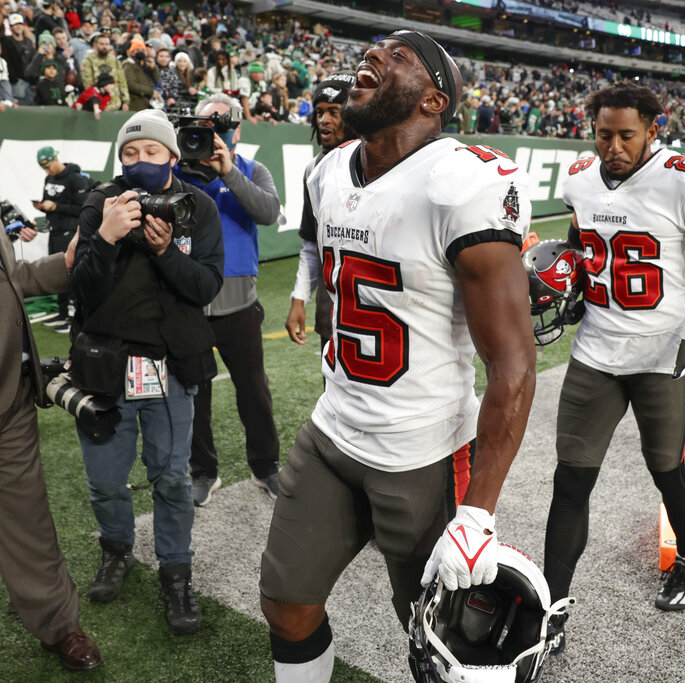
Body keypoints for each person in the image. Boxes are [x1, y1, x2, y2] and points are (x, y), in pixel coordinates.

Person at [259, 30, 535, 682]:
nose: (376, 54)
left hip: (424, 452)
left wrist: (477, 513)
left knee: (445, 648)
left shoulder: (459, 180)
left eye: (400, 55)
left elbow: (514, 363)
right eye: (376, 47)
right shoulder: (328, 170)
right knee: (286, 602)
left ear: (434, 99)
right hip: (334, 430)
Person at [541, 81, 685, 653]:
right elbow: (582, 244)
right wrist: (568, 279)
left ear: (652, 130)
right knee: (571, 479)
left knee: (666, 469)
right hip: (595, 351)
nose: (612, 146)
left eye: (626, 135)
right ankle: (551, 610)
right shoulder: (579, 177)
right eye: (603, 134)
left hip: (663, 351)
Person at [71, 109, 224, 634]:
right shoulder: (99, 203)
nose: (140, 162)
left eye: (151, 152)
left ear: (173, 156)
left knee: (173, 479)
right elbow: (83, 292)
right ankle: (116, 550)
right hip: (103, 367)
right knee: (105, 481)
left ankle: (175, 572)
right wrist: (106, 237)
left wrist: (163, 251)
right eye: (130, 154)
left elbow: (205, 287)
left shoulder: (198, 206)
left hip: (170, 367)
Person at [0, 226, 102, 672]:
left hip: (10, 402)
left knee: (29, 521)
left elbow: (13, 276)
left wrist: (65, 262)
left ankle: (58, 624)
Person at [175, 93, 282, 506]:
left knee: (253, 388)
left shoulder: (253, 169)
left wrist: (230, 171)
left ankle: (265, 466)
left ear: (235, 130)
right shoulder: (179, 172)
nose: (212, 134)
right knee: (195, 392)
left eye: (220, 126)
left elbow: (268, 212)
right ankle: (203, 470)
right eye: (205, 126)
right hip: (189, 299)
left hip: (238, 301)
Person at [285, 72, 355, 352]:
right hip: (333, 301)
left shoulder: (382, 163)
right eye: (319, 112)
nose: (323, 120)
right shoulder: (314, 169)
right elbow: (312, 244)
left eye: (334, 113)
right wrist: (299, 297)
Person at [32, 146, 90, 333]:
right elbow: (51, 203)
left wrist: (56, 206)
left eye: (48, 166)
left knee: (70, 272)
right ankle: (62, 312)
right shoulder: (49, 178)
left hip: (69, 233)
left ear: (56, 158)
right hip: (54, 231)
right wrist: (43, 207)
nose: (47, 171)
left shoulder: (75, 178)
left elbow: (83, 207)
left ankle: (74, 317)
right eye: (44, 168)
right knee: (57, 272)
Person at [79, 33, 129, 111]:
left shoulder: (114, 60)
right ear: (95, 45)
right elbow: (88, 85)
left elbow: (122, 81)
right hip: (98, 106)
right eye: (102, 44)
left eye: (107, 44)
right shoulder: (88, 60)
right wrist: (96, 103)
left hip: (116, 105)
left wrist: (126, 101)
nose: (105, 47)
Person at [123, 38, 158, 111]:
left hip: (146, 102)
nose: (141, 52)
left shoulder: (147, 64)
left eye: (143, 50)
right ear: (132, 52)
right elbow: (131, 85)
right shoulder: (128, 65)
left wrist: (153, 69)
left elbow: (157, 79)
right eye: (137, 50)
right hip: (135, 103)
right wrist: (150, 92)